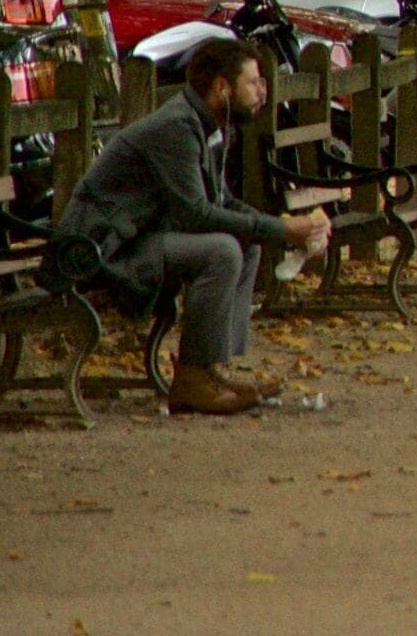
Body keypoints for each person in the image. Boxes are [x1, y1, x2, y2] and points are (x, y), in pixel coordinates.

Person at [57, 41, 333, 417]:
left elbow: (222, 202)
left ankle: (215, 369)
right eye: (254, 82)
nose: (264, 92)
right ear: (222, 87)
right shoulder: (177, 127)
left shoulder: (209, 125)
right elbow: (197, 215)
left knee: (245, 244)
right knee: (222, 250)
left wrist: (280, 226)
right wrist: (284, 231)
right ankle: (191, 380)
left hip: (139, 238)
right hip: (102, 250)